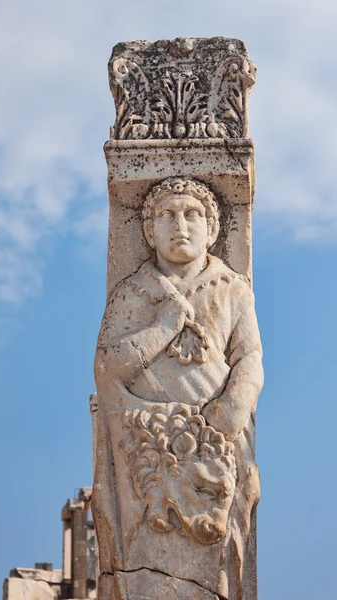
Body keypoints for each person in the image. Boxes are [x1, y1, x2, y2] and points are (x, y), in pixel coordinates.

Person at [92, 177, 264, 600]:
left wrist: (231, 410)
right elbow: (108, 366)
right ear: (149, 231)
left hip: (214, 445)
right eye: (167, 216)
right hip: (147, 454)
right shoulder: (133, 292)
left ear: (212, 228)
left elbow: (250, 358)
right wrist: (165, 327)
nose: (180, 225)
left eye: (192, 215)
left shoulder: (232, 289)